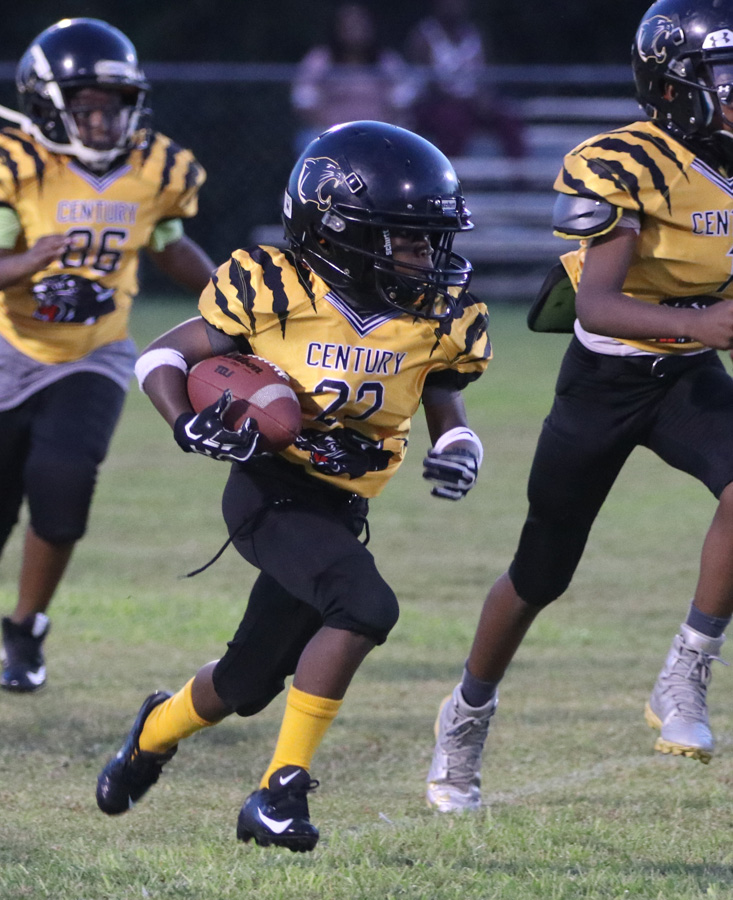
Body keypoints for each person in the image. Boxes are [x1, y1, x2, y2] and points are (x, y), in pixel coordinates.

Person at [95, 120, 491, 851]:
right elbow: (160, 358)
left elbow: (445, 406)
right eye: (408, 240)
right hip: (269, 490)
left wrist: (460, 447)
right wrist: (187, 423)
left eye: (429, 240)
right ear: (338, 231)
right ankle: (279, 792)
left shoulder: (438, 317)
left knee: (245, 682)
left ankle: (152, 733)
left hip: (340, 507)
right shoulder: (274, 286)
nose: (426, 257)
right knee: (363, 606)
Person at [426, 0, 733, 813]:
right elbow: (596, 304)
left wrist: (705, 332)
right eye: (725, 76)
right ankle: (465, 714)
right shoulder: (625, 162)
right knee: (540, 573)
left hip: (687, 377)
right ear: (672, 87)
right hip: (603, 382)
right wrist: (702, 323)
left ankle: (686, 672)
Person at [0, 18, 216, 693]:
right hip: (8, 347)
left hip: (93, 354)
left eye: (114, 104)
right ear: (46, 105)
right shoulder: (18, 165)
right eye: (86, 105)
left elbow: (168, 243)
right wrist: (28, 261)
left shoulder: (155, 169)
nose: (102, 119)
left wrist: (228, 299)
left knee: (62, 487)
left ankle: (25, 627)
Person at [403, 0, 525, 159]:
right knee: (453, 121)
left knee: (508, 117)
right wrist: (465, 100)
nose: (454, 5)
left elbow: (486, 74)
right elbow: (427, 83)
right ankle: (449, 169)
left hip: (472, 103)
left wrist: (485, 97)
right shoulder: (424, 36)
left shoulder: (474, 35)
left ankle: (520, 170)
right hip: (438, 103)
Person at [291, 3, 416, 152]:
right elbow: (303, 100)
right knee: (307, 140)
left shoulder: (387, 61)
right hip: (330, 132)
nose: (354, 30)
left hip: (379, 132)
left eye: (359, 24)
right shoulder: (320, 60)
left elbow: (403, 99)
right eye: (348, 25)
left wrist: (378, 125)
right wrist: (332, 125)